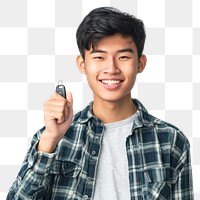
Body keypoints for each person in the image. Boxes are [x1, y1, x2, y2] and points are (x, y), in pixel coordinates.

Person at [7, 7, 193, 200]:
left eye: (123, 57)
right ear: (82, 64)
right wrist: (50, 140)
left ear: (140, 63)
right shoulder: (52, 138)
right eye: (99, 57)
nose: (111, 68)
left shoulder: (171, 140)